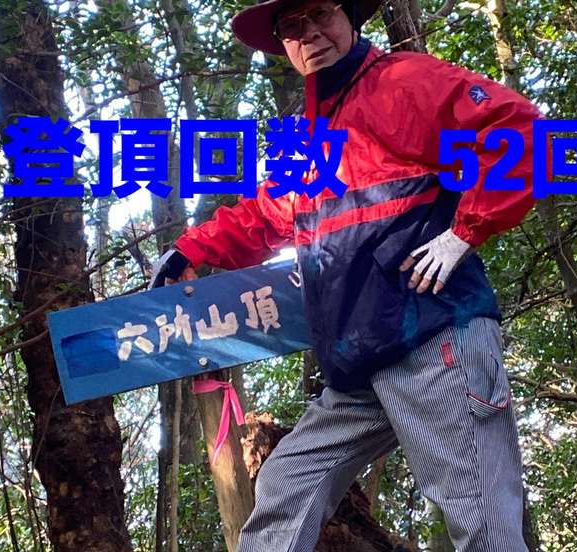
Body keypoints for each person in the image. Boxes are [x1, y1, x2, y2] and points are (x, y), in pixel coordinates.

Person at [151, 0, 542, 549]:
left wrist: (465, 232)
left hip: (436, 340)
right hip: (359, 360)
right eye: (293, 27)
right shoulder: (311, 137)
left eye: (320, 15)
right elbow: (268, 214)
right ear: (284, 45)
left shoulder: (402, 81)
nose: (310, 34)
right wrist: (190, 248)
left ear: (349, 18)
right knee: (287, 484)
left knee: (483, 527)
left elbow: (518, 127)